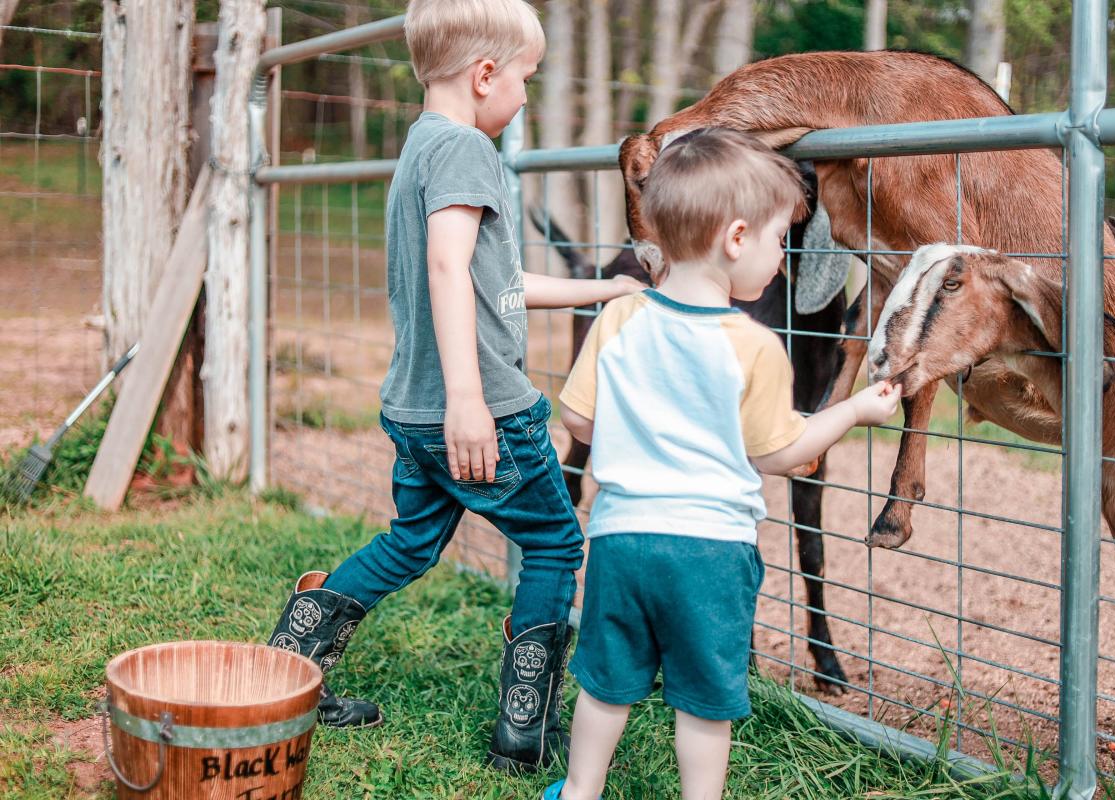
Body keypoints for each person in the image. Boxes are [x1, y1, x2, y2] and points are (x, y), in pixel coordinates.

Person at [263, 0, 640, 773]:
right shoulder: (468, 150)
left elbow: (490, 279)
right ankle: (523, 732)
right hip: (479, 408)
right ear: (484, 75)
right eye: (527, 78)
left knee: (410, 542)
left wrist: (606, 292)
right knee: (555, 541)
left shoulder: (424, 148)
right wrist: (469, 399)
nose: (528, 97)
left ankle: (289, 670)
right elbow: (444, 267)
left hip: (413, 409)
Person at [542, 128, 902, 800]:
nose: (780, 257)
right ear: (736, 240)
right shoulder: (756, 347)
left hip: (621, 540)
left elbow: (580, 421)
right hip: (710, 554)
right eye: (776, 240)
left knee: (605, 683)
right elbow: (780, 453)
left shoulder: (621, 316)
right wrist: (852, 412)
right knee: (706, 702)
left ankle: (580, 790)